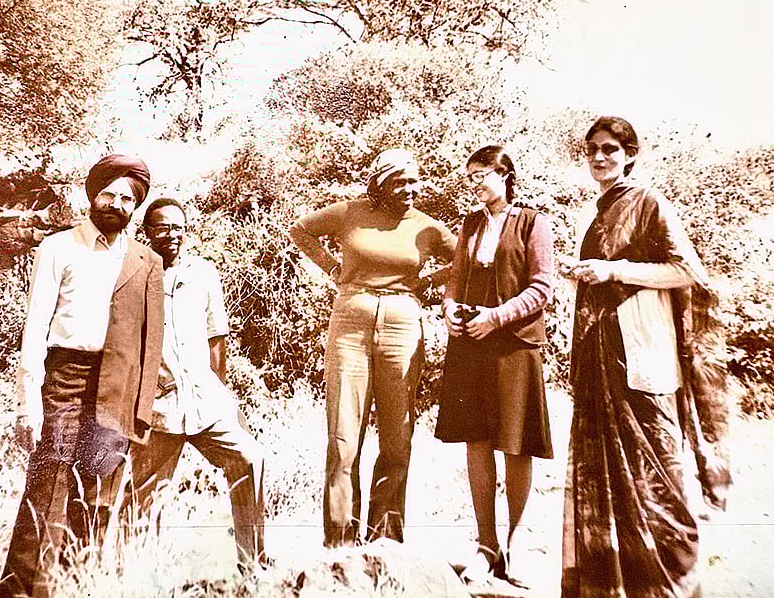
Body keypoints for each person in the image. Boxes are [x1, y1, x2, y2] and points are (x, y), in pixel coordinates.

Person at [560, 117, 731, 597]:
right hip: (601, 356)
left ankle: (676, 585)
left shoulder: (648, 202)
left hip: (642, 355)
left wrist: (613, 271)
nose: (599, 157)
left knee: (660, 474)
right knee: (610, 475)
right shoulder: (599, 209)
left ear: (631, 153)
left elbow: (685, 271)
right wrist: (586, 274)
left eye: (610, 149)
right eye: (591, 149)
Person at [0, 155, 164, 598]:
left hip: (117, 385)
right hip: (64, 379)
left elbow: (152, 342)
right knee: (46, 492)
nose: (116, 203)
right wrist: (27, 402)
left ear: (136, 206)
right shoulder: (58, 247)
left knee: (97, 501)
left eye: (127, 198)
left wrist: (141, 410)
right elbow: (34, 330)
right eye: (108, 193)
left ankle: (72, 589)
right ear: (93, 195)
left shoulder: (146, 260)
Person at [289, 148, 456, 547]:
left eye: (415, 181)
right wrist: (333, 269)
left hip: (402, 324)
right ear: (379, 184)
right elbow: (300, 230)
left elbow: (467, 257)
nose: (410, 189)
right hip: (350, 321)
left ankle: (385, 539)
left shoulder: (427, 227)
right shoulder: (350, 212)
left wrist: (430, 284)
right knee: (344, 434)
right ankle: (341, 541)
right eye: (400, 182)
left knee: (397, 436)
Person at [435, 145, 554, 584]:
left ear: (506, 175)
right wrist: (449, 307)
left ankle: (517, 544)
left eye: (483, 173)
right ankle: (487, 547)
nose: (476, 182)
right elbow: (454, 279)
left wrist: (497, 317)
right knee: (478, 442)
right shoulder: (469, 223)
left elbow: (542, 288)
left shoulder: (532, 222)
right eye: (470, 175)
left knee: (516, 444)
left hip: (514, 345)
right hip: (471, 345)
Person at [129, 197, 267, 572]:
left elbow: (216, 336)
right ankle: (141, 576)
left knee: (248, 458)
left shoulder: (203, 273)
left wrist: (219, 394)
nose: (171, 234)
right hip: (157, 408)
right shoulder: (131, 274)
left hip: (204, 403)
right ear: (146, 232)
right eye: (161, 227)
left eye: (178, 226)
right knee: (146, 497)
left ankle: (253, 565)